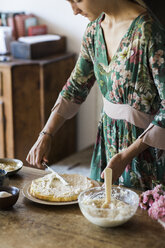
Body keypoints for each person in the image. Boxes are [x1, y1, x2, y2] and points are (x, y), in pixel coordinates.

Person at [26, 0, 165, 190]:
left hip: (145, 151)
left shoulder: (149, 33)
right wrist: (46, 134)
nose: (74, 11)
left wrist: (127, 155)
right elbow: (75, 87)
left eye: (77, 0)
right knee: (100, 208)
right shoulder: (93, 30)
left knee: (139, 213)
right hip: (107, 143)